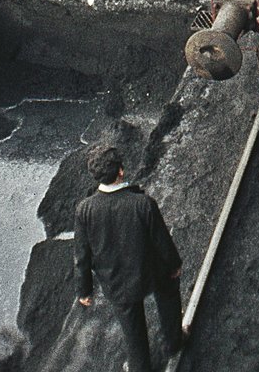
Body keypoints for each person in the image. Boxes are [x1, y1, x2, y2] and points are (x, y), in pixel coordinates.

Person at [74, 144, 185, 372]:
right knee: (168, 291)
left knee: (132, 329)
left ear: (96, 176)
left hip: (115, 281)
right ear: (121, 171)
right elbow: (162, 241)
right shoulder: (143, 204)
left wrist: (84, 290)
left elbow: (82, 256)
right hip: (149, 272)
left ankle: (139, 366)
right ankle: (173, 342)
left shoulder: (84, 210)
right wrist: (174, 266)